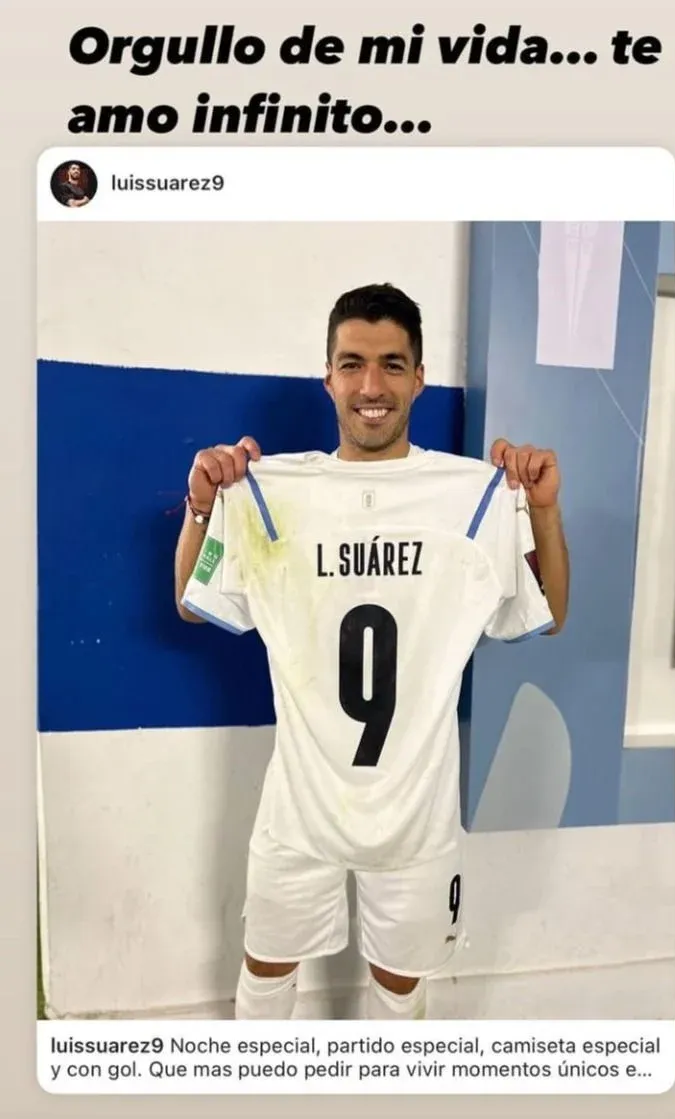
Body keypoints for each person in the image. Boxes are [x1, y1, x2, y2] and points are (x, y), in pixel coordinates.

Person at [174, 283, 569, 1021]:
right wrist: (202, 507)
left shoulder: (473, 498)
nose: (371, 386)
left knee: (400, 988)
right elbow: (192, 603)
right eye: (352, 363)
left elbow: (547, 614)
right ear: (328, 377)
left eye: (391, 364)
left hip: (415, 814)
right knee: (265, 968)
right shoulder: (271, 494)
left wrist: (541, 511)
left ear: (419, 377)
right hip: (299, 808)